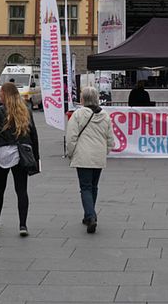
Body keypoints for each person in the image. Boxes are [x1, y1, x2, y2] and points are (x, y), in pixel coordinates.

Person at [0, 82, 39, 235]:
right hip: (21, 154)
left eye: (1, 94)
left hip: (1, 154)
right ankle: (23, 225)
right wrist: (36, 159)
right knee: (21, 190)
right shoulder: (26, 110)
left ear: (5, 95)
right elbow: (34, 136)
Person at [66, 86, 115, 234]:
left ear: (83, 99)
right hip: (98, 155)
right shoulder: (105, 115)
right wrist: (105, 151)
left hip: (83, 155)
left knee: (85, 187)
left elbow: (71, 137)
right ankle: (89, 215)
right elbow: (110, 139)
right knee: (94, 187)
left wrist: (70, 153)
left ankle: (90, 215)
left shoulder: (78, 114)